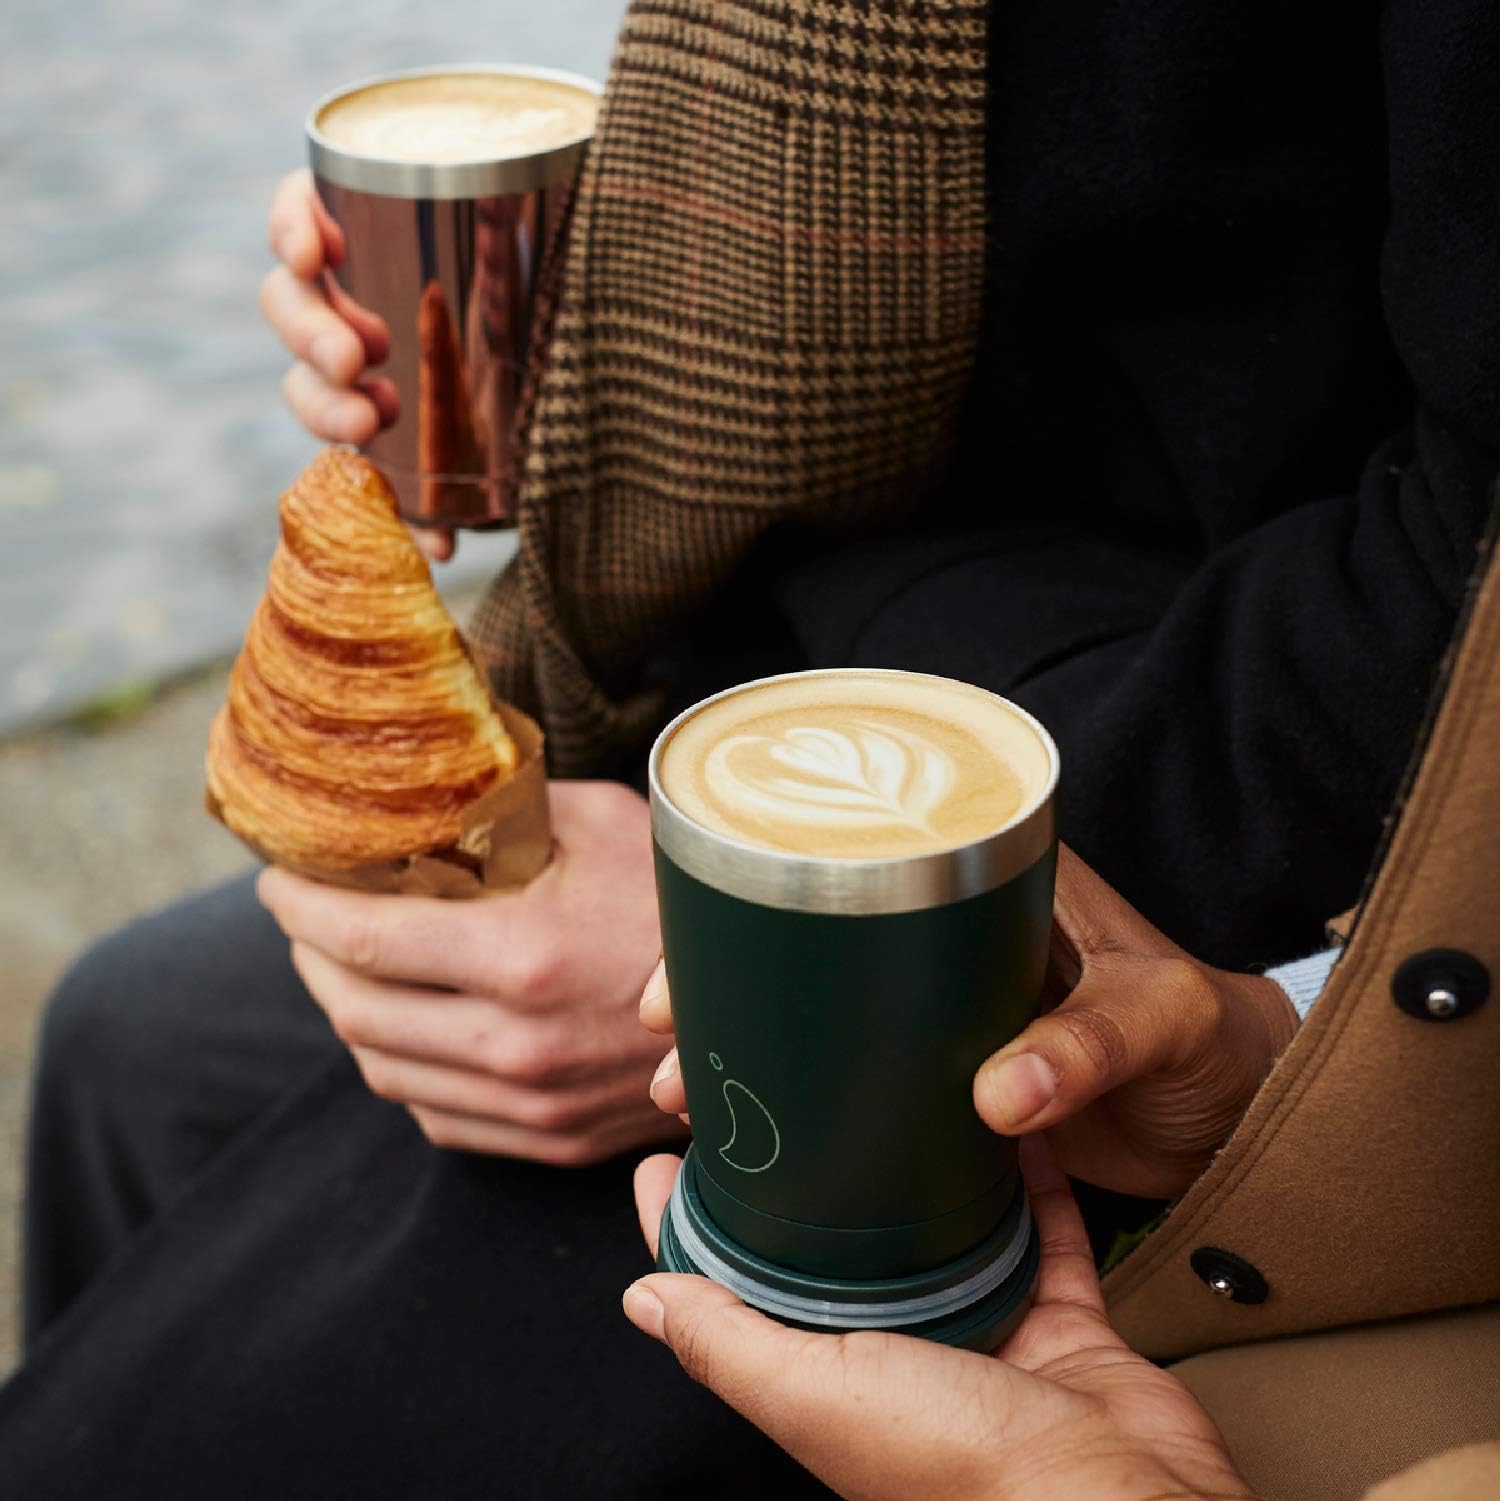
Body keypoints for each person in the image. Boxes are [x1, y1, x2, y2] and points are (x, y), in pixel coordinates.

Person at [4, 0, 1494, 1496]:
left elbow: (1460, 562)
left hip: (1162, 817)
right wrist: (605, 331)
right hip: (732, 678)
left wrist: (817, 918)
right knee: (127, 1035)